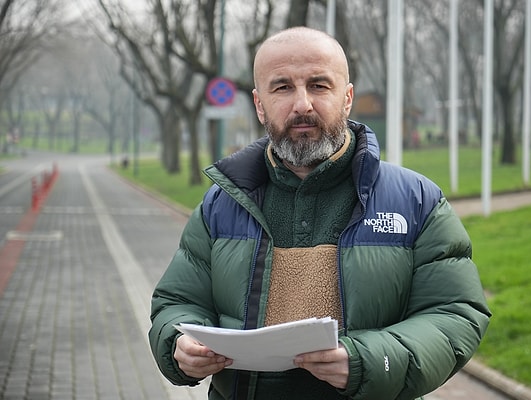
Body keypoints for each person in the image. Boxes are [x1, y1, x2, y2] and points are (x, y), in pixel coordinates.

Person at [149, 26, 490, 400]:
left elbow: (454, 313)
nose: (302, 105)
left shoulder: (417, 200)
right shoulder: (221, 203)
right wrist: (180, 345)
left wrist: (368, 361)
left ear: (347, 98)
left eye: (318, 85)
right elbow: (178, 303)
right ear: (259, 104)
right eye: (282, 88)